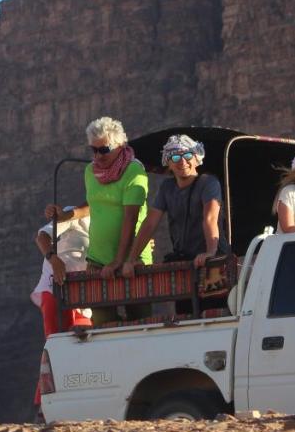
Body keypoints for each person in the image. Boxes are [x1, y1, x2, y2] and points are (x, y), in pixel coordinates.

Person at [45, 116, 153, 276]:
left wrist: (119, 260)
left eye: (104, 150)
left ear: (121, 146)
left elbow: (131, 218)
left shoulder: (134, 171)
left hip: (132, 261)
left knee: (137, 302)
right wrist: (65, 215)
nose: (98, 156)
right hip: (97, 261)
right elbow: (94, 204)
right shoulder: (91, 171)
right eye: (94, 150)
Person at [123, 134, 229, 278]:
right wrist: (132, 259)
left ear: (197, 159)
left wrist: (210, 252)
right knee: (185, 299)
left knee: (213, 299)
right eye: (175, 158)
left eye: (187, 155)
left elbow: (209, 218)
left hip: (214, 259)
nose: (182, 162)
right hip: (186, 262)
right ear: (169, 163)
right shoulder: (167, 187)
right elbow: (150, 223)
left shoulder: (208, 183)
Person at [30, 208, 92, 337]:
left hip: (84, 296)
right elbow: (42, 237)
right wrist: (54, 259)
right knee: (56, 341)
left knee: (83, 343)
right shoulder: (74, 213)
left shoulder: (110, 223)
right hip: (57, 287)